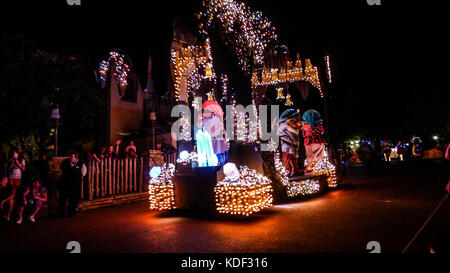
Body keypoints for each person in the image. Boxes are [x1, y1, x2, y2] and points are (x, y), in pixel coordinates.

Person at [58, 151, 86, 217]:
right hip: (65, 184)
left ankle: (71, 212)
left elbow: (84, 173)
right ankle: (61, 212)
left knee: (73, 199)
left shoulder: (81, 164)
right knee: (63, 199)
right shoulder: (65, 162)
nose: (70, 157)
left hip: (75, 186)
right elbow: (61, 168)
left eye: (72, 156)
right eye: (70, 156)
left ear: (76, 157)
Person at [278, 109, 302, 176]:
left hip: (293, 146)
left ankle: (295, 171)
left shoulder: (293, 129)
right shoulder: (283, 127)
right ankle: (287, 171)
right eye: (295, 120)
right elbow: (282, 134)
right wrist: (289, 141)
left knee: (294, 159)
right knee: (287, 158)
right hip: (287, 146)